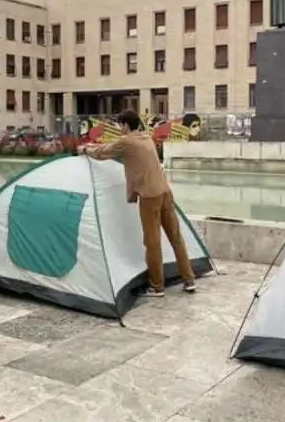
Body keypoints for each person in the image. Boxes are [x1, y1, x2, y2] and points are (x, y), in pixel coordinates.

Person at [79, 109, 197, 297]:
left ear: (125, 125)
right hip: (165, 191)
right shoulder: (146, 137)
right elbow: (116, 146)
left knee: (152, 242)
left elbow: (103, 153)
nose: (118, 128)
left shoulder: (127, 141)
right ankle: (189, 280)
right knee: (175, 237)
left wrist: (85, 149)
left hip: (150, 196)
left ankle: (157, 286)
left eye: (119, 125)